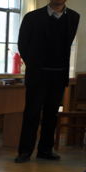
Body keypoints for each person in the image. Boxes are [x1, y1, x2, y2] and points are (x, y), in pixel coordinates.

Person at [14, 0, 80, 163]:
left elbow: (66, 44)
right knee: (32, 113)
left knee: (51, 114)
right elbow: (23, 44)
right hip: (37, 74)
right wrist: (35, 65)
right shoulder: (32, 17)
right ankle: (25, 151)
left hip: (59, 74)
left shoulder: (74, 17)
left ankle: (45, 150)